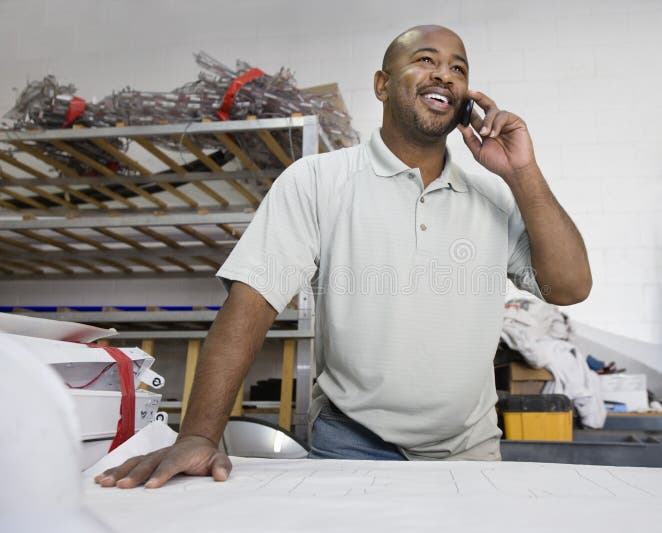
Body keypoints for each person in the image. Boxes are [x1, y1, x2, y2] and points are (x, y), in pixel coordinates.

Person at [95, 24, 591, 489]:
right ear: (382, 84)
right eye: (425, 59)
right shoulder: (317, 181)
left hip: (469, 453)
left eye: (458, 68)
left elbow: (570, 287)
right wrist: (199, 436)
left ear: (466, 101)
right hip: (351, 445)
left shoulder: (496, 197)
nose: (445, 74)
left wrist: (522, 172)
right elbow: (250, 306)